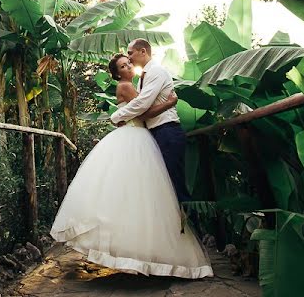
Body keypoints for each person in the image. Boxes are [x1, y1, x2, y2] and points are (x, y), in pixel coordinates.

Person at [49, 53, 213, 278]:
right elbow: (144, 112)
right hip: (135, 136)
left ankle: (138, 250)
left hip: (138, 136)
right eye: (123, 66)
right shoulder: (126, 86)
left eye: (128, 64)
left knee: (136, 196)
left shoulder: (133, 84)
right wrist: (169, 103)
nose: (128, 67)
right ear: (117, 73)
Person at [112, 38, 190, 201]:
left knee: (175, 186)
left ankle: (190, 224)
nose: (129, 58)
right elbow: (141, 109)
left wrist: (117, 116)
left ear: (143, 51)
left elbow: (141, 105)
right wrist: (168, 103)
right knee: (165, 187)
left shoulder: (156, 72)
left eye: (130, 53)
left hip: (167, 131)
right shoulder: (142, 78)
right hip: (156, 133)